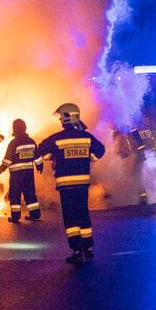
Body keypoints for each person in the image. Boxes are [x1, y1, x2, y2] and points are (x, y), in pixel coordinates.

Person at [37, 103, 105, 265]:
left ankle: (77, 250)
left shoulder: (57, 138)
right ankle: (87, 249)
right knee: (83, 214)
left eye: (61, 117)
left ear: (67, 117)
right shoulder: (86, 137)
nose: (60, 120)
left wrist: (51, 157)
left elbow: (40, 150)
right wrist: (89, 158)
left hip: (65, 185)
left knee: (71, 218)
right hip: (82, 183)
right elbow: (100, 150)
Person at [0, 119, 42, 222]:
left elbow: (8, 159)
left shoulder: (14, 143)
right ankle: (35, 214)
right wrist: (39, 165)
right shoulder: (31, 141)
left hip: (16, 175)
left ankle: (15, 216)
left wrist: (2, 167)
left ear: (15, 129)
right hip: (28, 174)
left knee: (15, 195)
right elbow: (37, 156)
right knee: (30, 193)